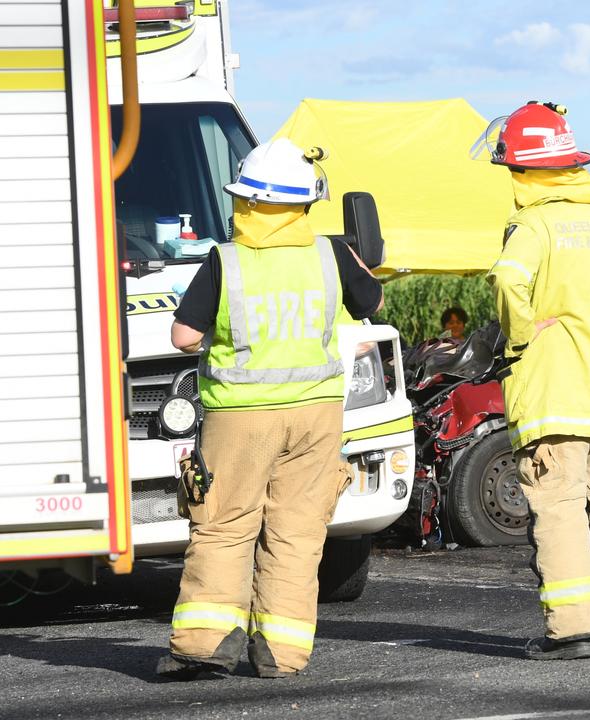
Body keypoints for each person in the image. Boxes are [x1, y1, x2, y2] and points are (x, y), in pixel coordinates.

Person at [157, 138, 383, 680]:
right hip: (317, 413)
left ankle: (207, 644)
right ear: (304, 204)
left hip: (242, 413)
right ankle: (280, 653)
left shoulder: (226, 261)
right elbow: (372, 302)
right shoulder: (329, 254)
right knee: (297, 533)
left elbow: (183, 335)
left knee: (224, 525)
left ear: (248, 202)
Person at [475, 101, 590, 660]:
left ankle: (573, 628)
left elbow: (509, 284)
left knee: (558, 506)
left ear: (525, 170)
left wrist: (523, 339)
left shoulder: (533, 225)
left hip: (556, 396)